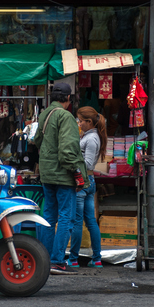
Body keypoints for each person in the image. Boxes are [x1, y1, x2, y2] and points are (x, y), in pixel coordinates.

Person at [33, 82, 87, 275]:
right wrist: (77, 172)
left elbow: (37, 140)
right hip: (63, 175)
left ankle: (45, 259)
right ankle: (56, 260)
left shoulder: (44, 114)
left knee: (49, 216)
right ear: (67, 99)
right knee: (66, 217)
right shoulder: (66, 116)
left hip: (47, 173)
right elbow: (68, 150)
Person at [67, 107, 106, 269]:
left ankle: (74, 259)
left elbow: (89, 163)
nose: (79, 123)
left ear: (89, 122)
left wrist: (74, 165)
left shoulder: (91, 139)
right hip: (89, 182)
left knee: (78, 222)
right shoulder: (92, 136)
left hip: (82, 183)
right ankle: (96, 258)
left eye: (81, 121)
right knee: (90, 221)